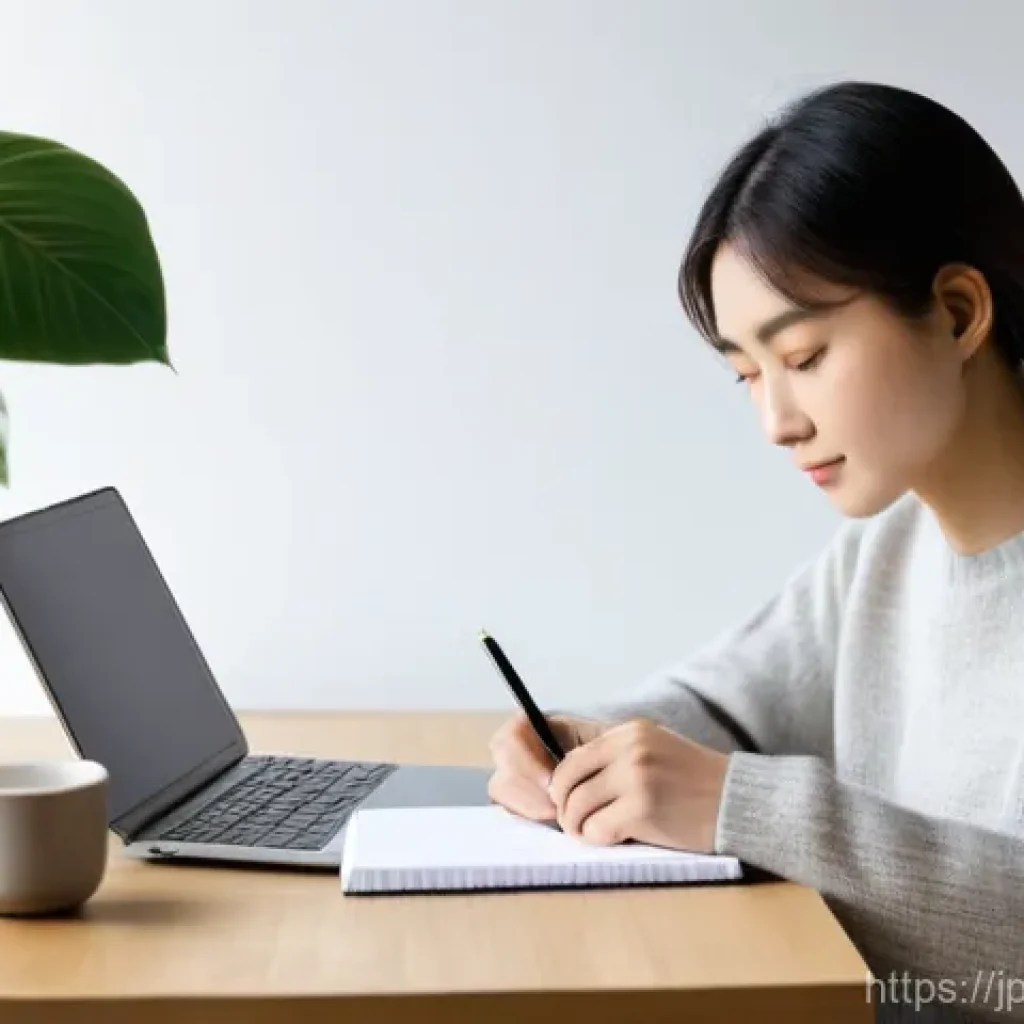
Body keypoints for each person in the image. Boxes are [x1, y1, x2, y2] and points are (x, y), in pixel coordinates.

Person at [487, 80, 1024, 1023]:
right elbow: (725, 708)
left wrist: (744, 808)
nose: (776, 421)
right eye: (746, 374)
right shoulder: (887, 552)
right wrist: (582, 744)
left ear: (956, 311)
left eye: (804, 356)